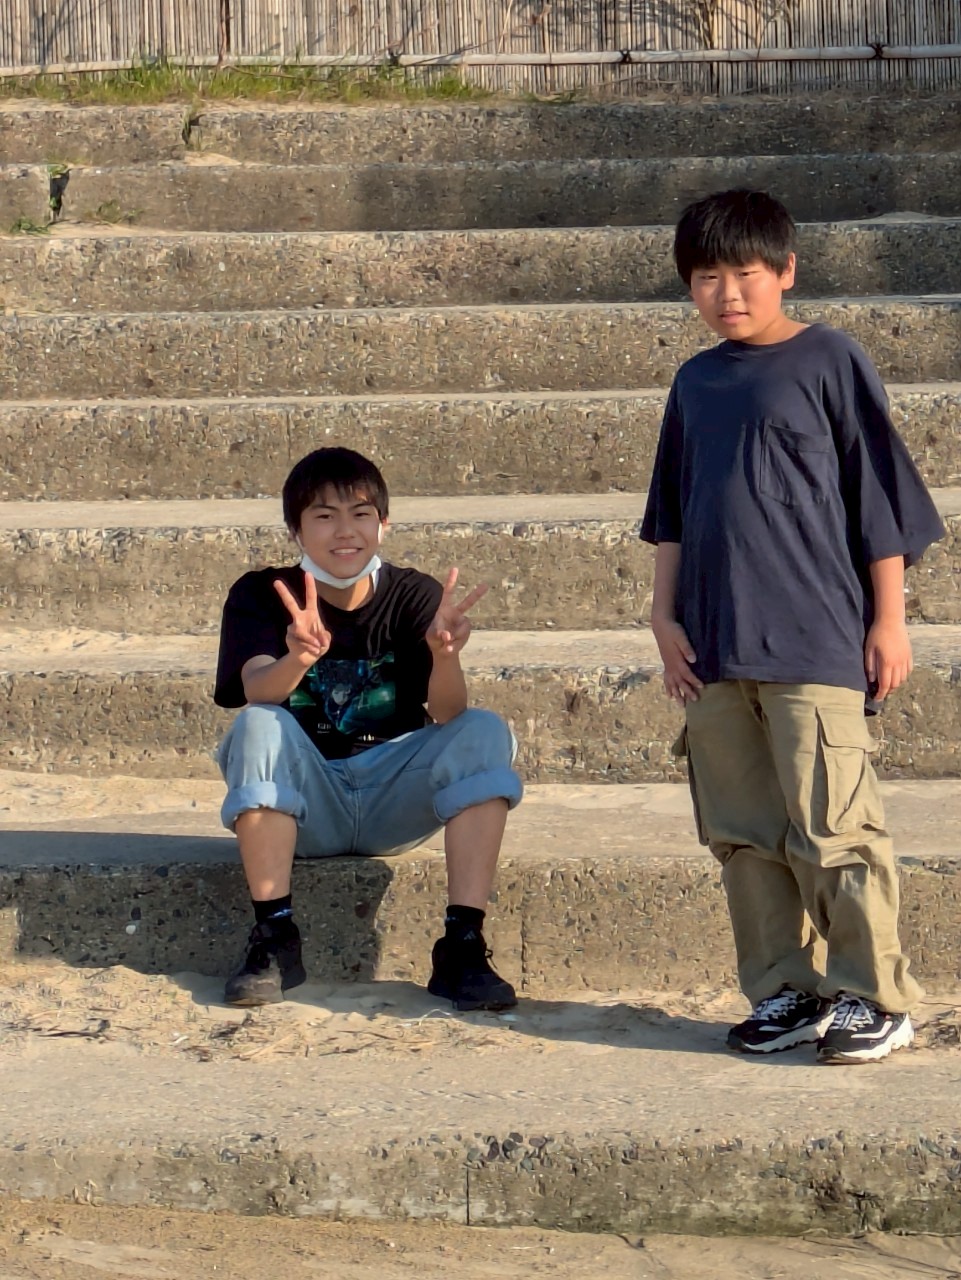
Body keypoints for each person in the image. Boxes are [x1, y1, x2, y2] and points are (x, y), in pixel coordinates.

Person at [641, 189, 944, 1064]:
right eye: (707, 277)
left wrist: (888, 621)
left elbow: (877, 502)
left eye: (745, 272)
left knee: (833, 826)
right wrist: (661, 616)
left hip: (813, 639)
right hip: (712, 646)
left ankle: (872, 996)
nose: (727, 293)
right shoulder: (694, 382)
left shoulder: (828, 359)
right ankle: (783, 989)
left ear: (785, 271)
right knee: (742, 833)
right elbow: (671, 512)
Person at [214, 446, 523, 1011]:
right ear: (296, 529)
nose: (344, 531)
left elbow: (448, 713)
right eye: (323, 516)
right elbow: (257, 689)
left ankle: (462, 946)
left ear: (383, 523)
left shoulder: (414, 595)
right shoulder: (263, 594)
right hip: (306, 801)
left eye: (360, 514)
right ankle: (275, 937)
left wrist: (445, 655)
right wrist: (298, 658)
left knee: (484, 730)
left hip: (393, 798)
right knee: (257, 725)